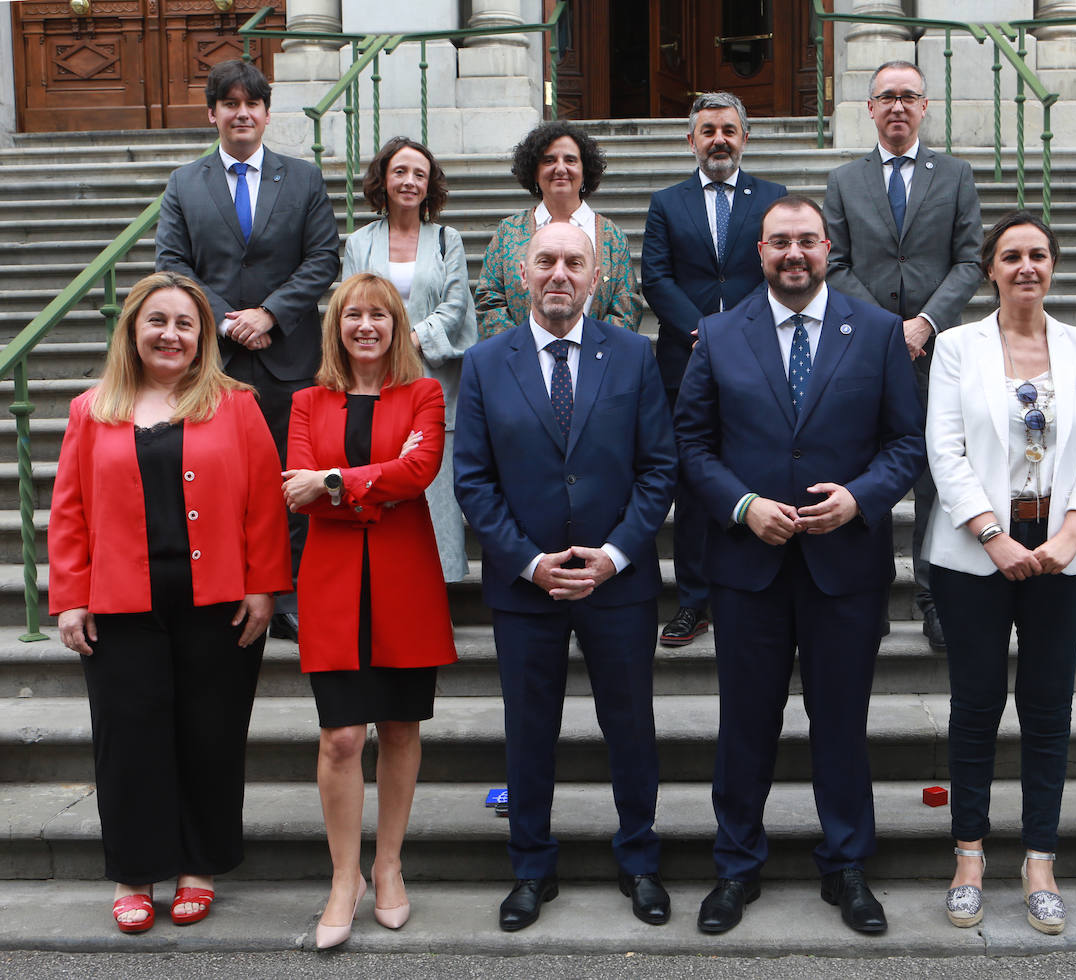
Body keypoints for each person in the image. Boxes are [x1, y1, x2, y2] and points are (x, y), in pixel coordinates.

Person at [675, 195, 923, 936]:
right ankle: (735, 867)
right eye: (779, 242)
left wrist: (862, 499)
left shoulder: (877, 333)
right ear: (759, 253)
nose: (793, 254)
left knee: (841, 723)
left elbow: (906, 445)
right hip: (747, 566)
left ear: (828, 250)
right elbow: (691, 443)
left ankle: (846, 865)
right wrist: (743, 506)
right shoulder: (719, 335)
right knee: (744, 725)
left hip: (844, 566)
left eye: (806, 242)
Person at [47, 271, 291, 933]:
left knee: (210, 736)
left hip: (218, 603)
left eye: (185, 323)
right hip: (120, 603)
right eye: (158, 320)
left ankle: (198, 866)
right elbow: (67, 511)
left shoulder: (237, 403)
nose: (171, 334)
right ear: (132, 329)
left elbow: (265, 502)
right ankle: (134, 871)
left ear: (203, 336)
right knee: (128, 740)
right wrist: (69, 596)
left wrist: (265, 586)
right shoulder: (90, 409)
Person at [454, 223, 676, 932]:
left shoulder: (635, 356)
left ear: (594, 277)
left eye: (573, 262)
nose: (559, 273)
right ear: (523, 273)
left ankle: (640, 861)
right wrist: (527, 560)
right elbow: (474, 479)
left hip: (619, 582)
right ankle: (530, 868)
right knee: (528, 731)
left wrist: (614, 555)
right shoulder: (487, 362)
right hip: (526, 586)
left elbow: (658, 469)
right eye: (546, 260)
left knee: (632, 727)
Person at [924, 211, 1076, 936]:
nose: (1026, 266)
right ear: (991, 269)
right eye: (1012, 255)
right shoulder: (957, 348)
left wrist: (1072, 532)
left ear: (1053, 265)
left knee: (1046, 706)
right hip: (975, 551)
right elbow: (945, 450)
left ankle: (1040, 858)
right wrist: (993, 535)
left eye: (1038, 253)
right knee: (975, 706)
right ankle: (969, 853)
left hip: (1064, 553)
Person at [282, 272, 457, 949]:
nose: (365, 326)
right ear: (336, 325)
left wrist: (334, 482)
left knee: (402, 727)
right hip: (330, 582)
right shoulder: (306, 403)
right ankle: (342, 876)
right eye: (353, 314)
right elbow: (294, 492)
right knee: (342, 738)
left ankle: (388, 865)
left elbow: (420, 473)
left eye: (378, 316)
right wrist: (365, 483)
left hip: (404, 579)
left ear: (396, 326)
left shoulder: (424, 393)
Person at [155, 58, 341, 642]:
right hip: (213, 360)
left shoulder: (304, 179)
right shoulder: (185, 184)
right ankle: (222, 584)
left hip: (289, 356)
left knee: (289, 476)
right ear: (212, 113)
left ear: (265, 113)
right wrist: (228, 321)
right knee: (218, 478)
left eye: (252, 104)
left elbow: (323, 260)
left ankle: (284, 593)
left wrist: (271, 314)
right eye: (230, 104)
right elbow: (172, 265)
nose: (242, 113)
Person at [822, 59, 983, 650]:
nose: (896, 106)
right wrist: (887, 330)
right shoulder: (843, 181)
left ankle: (933, 597)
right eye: (885, 97)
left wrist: (924, 323)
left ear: (923, 107)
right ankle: (871, 594)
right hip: (864, 352)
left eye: (907, 97)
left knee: (938, 478)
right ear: (869, 108)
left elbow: (969, 260)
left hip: (940, 350)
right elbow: (834, 265)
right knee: (869, 472)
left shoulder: (957, 175)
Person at [641, 91, 788, 648]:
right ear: (691, 141)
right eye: (708, 131)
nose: (719, 139)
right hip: (687, 362)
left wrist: (739, 332)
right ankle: (693, 602)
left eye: (728, 129)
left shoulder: (773, 199)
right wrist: (706, 332)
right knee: (695, 486)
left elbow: (779, 270)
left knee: (758, 472)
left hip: (762, 360)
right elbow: (656, 278)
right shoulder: (666, 202)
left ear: (744, 137)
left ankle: (755, 593)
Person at [343, 136, 478, 584]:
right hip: (371, 376)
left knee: (432, 481)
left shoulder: (446, 239)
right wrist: (379, 341)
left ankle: (435, 583)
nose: (409, 181)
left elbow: (456, 305)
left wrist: (406, 338)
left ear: (429, 184)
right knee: (380, 469)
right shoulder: (360, 242)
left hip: (429, 376)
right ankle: (384, 576)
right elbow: (350, 301)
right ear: (384, 178)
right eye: (400, 171)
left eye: (419, 174)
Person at [474, 120, 642, 339]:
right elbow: (489, 298)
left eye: (570, 160)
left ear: (584, 170)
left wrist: (593, 350)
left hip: (594, 364)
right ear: (535, 171)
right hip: (520, 364)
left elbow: (626, 303)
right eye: (549, 160)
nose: (560, 168)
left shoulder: (612, 237)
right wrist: (523, 351)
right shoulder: (509, 232)